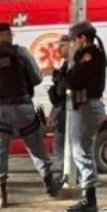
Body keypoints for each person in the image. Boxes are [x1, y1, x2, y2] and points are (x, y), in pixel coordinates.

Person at [0, 22, 62, 208]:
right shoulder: (21, 53)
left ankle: (2, 196)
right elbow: (36, 77)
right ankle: (50, 185)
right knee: (35, 145)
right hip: (22, 107)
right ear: (9, 35)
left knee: (0, 151)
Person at [64, 21, 107, 212]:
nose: (73, 43)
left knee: (81, 152)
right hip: (88, 106)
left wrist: (64, 73)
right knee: (84, 152)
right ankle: (89, 198)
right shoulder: (95, 53)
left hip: (86, 107)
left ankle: (89, 200)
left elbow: (73, 79)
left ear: (82, 38)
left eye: (74, 39)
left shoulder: (88, 55)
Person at [43, 35, 71, 166]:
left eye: (62, 45)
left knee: (61, 144)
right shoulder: (65, 65)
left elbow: (67, 86)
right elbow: (59, 94)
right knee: (60, 144)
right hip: (63, 110)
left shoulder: (73, 65)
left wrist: (54, 73)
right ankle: (68, 173)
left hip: (70, 111)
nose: (58, 49)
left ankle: (69, 174)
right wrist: (53, 113)